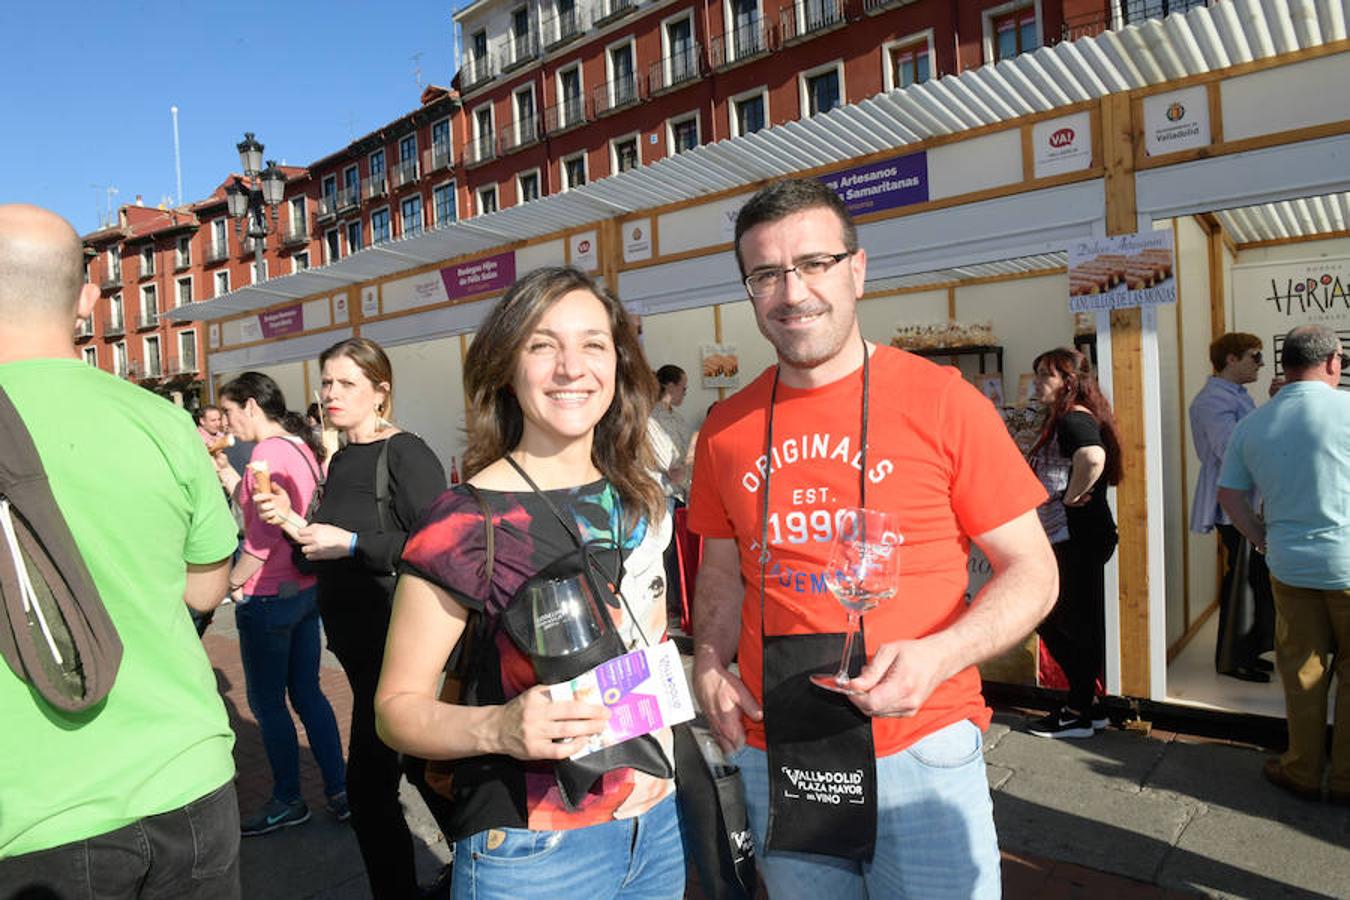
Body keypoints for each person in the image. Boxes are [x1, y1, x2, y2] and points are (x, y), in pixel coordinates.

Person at [687, 179, 1057, 898]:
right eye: (765, 274)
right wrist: (707, 660)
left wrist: (942, 652)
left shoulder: (943, 401)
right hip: (780, 748)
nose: (792, 292)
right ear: (749, 290)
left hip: (921, 743)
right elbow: (722, 573)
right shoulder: (725, 427)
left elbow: (1032, 570)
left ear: (858, 269)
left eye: (814, 263)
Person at [374, 267, 684, 899]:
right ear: (506, 369)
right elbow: (394, 711)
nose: (572, 367)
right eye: (543, 345)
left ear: (619, 366)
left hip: (655, 827)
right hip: (534, 850)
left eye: (593, 344)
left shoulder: (638, 498)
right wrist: (496, 728)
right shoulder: (465, 520)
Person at [0, 204, 241, 895]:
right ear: (85, 299)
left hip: (36, 810)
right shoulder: (163, 421)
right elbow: (202, 590)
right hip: (189, 778)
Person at [256, 338, 449, 897]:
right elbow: (318, 550)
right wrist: (292, 523)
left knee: (368, 789)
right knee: (418, 767)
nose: (331, 394)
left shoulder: (405, 452)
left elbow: (441, 545)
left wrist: (355, 542)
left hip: (400, 644)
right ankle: (485, 859)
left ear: (380, 392)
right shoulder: (339, 458)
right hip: (357, 649)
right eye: (326, 383)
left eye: (346, 383)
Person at [1218, 324, 1350, 805]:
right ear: (1334, 361)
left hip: (1291, 566)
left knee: (1302, 672)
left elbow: (1229, 494)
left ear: (1284, 365)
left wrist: (1259, 538)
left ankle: (1303, 768)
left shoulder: (1253, 424)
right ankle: (1344, 778)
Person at [214, 372, 348, 835]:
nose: (228, 424)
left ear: (251, 406)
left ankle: (289, 798)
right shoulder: (299, 446)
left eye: (230, 412)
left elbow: (258, 538)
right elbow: (270, 511)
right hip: (305, 589)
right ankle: (340, 789)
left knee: (269, 704)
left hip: (269, 596)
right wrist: (232, 479)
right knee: (309, 693)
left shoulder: (266, 454)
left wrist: (228, 585)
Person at [1026, 347, 1123, 738]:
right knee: (1072, 621)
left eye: (1044, 376)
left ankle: (1079, 710)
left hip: (1075, 537)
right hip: (1080, 536)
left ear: (1068, 381)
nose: (1037, 383)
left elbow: (1092, 456)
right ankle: (1087, 706)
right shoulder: (1073, 416)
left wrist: (1070, 495)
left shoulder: (1072, 419)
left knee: (1050, 616)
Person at [1189, 332, 1274, 683]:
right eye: (1255, 356)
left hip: (1241, 499)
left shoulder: (1233, 396)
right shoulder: (1213, 401)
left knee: (1252, 578)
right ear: (1231, 359)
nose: (1261, 364)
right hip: (1233, 502)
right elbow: (1230, 450)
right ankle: (1234, 656)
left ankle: (1244, 651)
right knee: (1244, 578)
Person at [651, 364, 693, 499]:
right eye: (683, 388)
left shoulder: (677, 418)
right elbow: (670, 466)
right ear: (670, 386)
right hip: (664, 495)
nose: (685, 393)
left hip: (681, 493)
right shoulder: (652, 418)